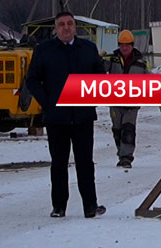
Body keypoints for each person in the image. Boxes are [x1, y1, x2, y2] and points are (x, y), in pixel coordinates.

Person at [25, 11, 107, 218]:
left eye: (70, 23)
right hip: (57, 118)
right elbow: (32, 80)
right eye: (61, 24)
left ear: (75, 27)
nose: (66, 27)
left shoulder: (88, 49)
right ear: (55, 28)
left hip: (83, 117)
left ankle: (90, 205)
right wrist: (48, 102)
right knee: (59, 163)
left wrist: (92, 99)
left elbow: (100, 78)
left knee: (85, 162)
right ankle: (59, 206)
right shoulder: (44, 50)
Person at [106, 30, 149, 169]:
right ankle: (121, 154)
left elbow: (151, 80)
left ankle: (126, 157)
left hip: (132, 103)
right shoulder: (112, 60)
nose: (124, 48)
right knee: (117, 130)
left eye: (127, 45)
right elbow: (98, 69)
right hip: (115, 102)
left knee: (128, 130)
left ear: (132, 45)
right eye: (121, 45)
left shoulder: (141, 63)